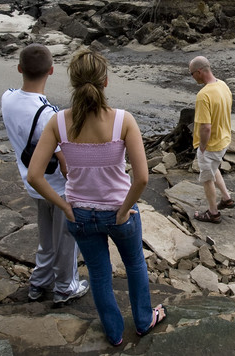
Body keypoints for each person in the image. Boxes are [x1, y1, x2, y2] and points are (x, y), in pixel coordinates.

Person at [26, 49, 165, 347]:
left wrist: (64, 206)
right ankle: (143, 321)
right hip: (118, 211)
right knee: (135, 264)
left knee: (100, 274)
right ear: (106, 80)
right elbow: (141, 177)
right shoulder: (123, 121)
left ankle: (114, 334)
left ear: (73, 82)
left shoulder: (58, 122)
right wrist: (125, 210)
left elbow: (34, 176)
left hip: (80, 214)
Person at [1, 44, 89, 305]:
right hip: (57, 187)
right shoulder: (48, 115)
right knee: (66, 239)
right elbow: (64, 161)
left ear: (19, 69)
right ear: (51, 71)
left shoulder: (7, 98)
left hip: (34, 183)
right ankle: (65, 286)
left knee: (46, 238)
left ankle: (39, 282)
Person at [189, 56, 235, 224]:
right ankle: (226, 197)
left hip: (211, 144)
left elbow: (206, 127)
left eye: (192, 74)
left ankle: (213, 213)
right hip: (224, 139)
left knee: (207, 178)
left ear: (199, 72)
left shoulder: (204, 95)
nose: (192, 77)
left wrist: (202, 147)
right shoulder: (223, 85)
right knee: (213, 167)